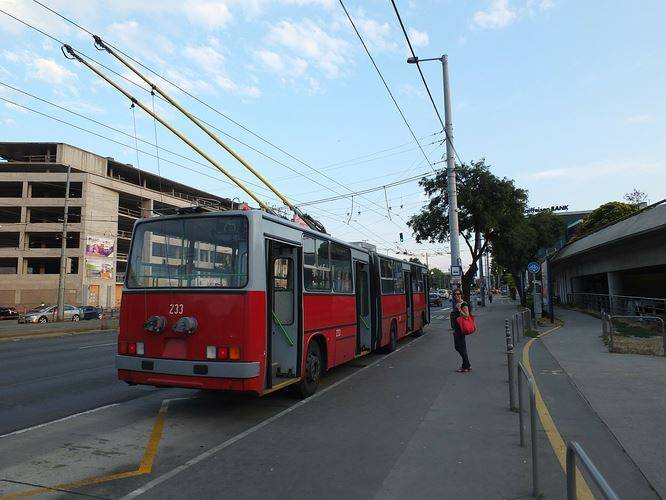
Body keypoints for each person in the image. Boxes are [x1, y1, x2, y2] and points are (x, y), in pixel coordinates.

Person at [452, 289, 472, 372]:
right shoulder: (457, 303)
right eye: (455, 294)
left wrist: (459, 309)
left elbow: (466, 316)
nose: (456, 295)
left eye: (458, 294)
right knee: (460, 347)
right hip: (457, 328)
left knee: (459, 347)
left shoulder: (463, 304)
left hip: (461, 328)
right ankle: (466, 365)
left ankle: (466, 365)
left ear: (461, 294)